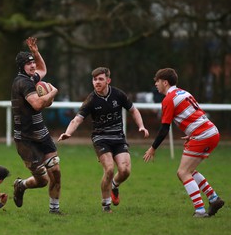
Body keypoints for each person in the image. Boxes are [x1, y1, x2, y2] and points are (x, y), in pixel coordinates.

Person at [58, 67, 149, 213]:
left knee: (125, 171)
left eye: (100, 79)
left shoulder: (118, 94)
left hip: (118, 137)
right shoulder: (91, 100)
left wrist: (141, 126)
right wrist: (68, 133)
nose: (97, 82)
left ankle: (114, 185)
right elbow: (76, 120)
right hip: (101, 138)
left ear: (108, 80)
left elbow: (133, 110)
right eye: (94, 79)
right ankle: (106, 205)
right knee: (110, 169)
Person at [143, 68, 224, 218]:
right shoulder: (183, 92)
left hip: (203, 135)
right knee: (190, 170)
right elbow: (196, 114)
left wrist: (153, 148)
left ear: (165, 82)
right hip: (211, 131)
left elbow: (164, 129)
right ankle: (213, 198)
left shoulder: (168, 99)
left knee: (182, 172)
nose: (155, 84)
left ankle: (199, 211)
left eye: (157, 81)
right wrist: (192, 133)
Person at [11, 37, 62, 214]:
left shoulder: (31, 77)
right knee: (42, 180)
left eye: (32, 63)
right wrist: (53, 93)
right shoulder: (23, 83)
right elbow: (38, 104)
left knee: (55, 170)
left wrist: (35, 52)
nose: (33, 66)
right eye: (28, 64)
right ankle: (21, 185)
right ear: (21, 67)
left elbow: (43, 69)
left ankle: (54, 210)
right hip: (25, 139)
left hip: (42, 133)